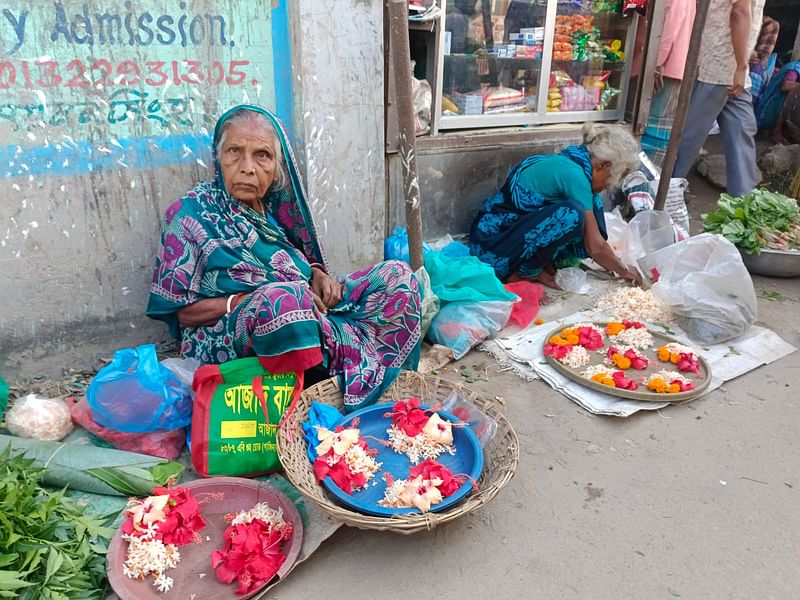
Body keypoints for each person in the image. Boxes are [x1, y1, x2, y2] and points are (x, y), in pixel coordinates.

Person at [146, 105, 422, 411]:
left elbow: (298, 261)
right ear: (218, 157)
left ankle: (378, 391)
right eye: (234, 151)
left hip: (308, 309)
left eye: (261, 155)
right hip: (227, 332)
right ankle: (306, 405)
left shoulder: (275, 211)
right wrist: (241, 301)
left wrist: (318, 275)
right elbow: (181, 313)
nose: (247, 167)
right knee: (283, 303)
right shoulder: (190, 215)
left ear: (278, 166)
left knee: (398, 276)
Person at [468, 123, 642, 289]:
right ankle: (526, 272)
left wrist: (609, 260)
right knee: (573, 214)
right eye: (614, 177)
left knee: (591, 206)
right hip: (494, 244)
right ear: (603, 165)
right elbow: (595, 245)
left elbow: (595, 240)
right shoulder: (574, 175)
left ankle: (538, 263)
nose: (610, 185)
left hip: (512, 235)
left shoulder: (576, 163)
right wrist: (625, 271)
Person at [672, 0, 766, 198]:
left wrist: (741, 68)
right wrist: (741, 65)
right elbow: (739, 13)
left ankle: (744, 204)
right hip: (717, 67)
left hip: (732, 72)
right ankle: (663, 195)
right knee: (689, 139)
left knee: (742, 132)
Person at [640, 0, 696, 167]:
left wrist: (657, 62)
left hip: (665, 68)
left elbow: (672, 22)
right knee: (656, 129)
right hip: (671, 66)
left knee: (653, 131)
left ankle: (644, 183)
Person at [756, 58, 800, 143]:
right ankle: (776, 131)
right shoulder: (795, 68)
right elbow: (785, 85)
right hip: (772, 106)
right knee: (795, 91)